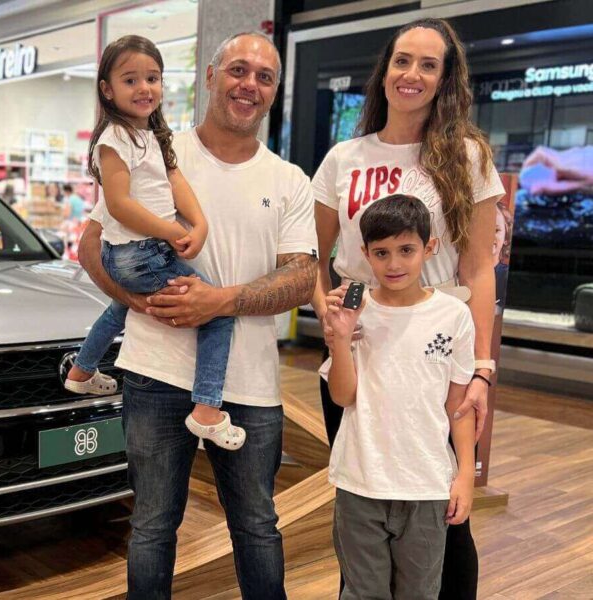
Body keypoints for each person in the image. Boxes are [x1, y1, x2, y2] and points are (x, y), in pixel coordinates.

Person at [81, 31, 317, 598]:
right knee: (153, 527)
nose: (249, 85)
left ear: (274, 92)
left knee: (257, 528)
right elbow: (93, 246)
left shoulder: (289, 180)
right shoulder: (152, 149)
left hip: (250, 384)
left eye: (264, 77)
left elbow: (302, 276)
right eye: (238, 70)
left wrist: (220, 301)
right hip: (155, 374)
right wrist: (139, 303)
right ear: (210, 76)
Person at [311, 18, 504, 598]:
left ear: (445, 78)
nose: (411, 74)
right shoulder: (344, 157)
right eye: (402, 60)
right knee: (362, 505)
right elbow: (316, 260)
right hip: (358, 350)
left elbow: (477, 270)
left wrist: (483, 369)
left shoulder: (465, 156)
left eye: (428, 64)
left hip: (434, 352)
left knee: (446, 509)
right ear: (385, 70)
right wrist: (331, 317)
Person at [65, 35, 244, 449]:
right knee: (217, 311)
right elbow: (119, 204)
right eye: (131, 80)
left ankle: (81, 370)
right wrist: (172, 230)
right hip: (140, 253)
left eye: (153, 77)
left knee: (120, 307)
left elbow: (174, 179)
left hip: (133, 254)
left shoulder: (150, 134)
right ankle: (207, 409)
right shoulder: (115, 139)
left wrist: (197, 224)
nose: (144, 88)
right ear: (107, 89)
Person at [324, 195, 477, 600]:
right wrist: (339, 339)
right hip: (361, 480)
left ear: (429, 248)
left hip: (426, 483)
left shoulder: (453, 315)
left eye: (406, 250)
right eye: (382, 252)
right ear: (365, 254)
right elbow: (343, 396)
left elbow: (458, 407)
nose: (394, 264)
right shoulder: (353, 310)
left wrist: (464, 474)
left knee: (420, 593)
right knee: (362, 592)